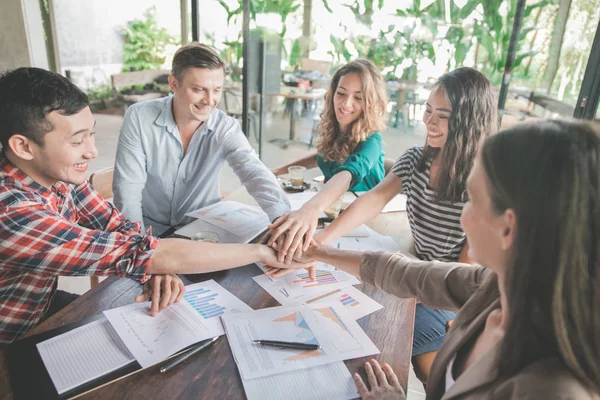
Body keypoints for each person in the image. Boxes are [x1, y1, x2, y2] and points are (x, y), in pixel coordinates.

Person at [268, 119, 600, 399]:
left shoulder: (552, 389)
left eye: (470, 200)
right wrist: (320, 251)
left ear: (508, 227)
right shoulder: (497, 285)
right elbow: (412, 274)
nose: (461, 216)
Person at [0, 67, 307, 344]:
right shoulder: (13, 213)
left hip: (37, 303)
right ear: (23, 146)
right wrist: (261, 252)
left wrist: (153, 266)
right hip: (12, 332)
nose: (93, 152)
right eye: (78, 141)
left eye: (92, 134)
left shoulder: (58, 176)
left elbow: (114, 223)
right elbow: (137, 249)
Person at [292, 67, 498, 382]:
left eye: (442, 115)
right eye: (428, 110)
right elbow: (373, 200)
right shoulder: (416, 160)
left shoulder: (481, 181)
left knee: (382, 343)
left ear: (469, 121)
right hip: (417, 274)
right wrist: (319, 242)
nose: (428, 121)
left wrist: (459, 318)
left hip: (454, 292)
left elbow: (464, 274)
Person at [113, 42, 290, 237]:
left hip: (204, 230)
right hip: (149, 229)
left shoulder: (226, 127)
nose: (209, 100)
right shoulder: (139, 116)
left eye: (217, 90)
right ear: (174, 84)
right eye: (199, 90)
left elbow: (254, 172)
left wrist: (282, 219)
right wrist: (139, 246)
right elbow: (127, 190)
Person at [268, 59, 388, 262]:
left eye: (358, 98)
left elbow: (348, 173)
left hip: (364, 225)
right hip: (332, 215)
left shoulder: (372, 141)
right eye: (341, 93)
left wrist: (311, 209)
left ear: (370, 102)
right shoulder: (335, 129)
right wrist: (277, 171)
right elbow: (321, 157)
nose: (346, 104)